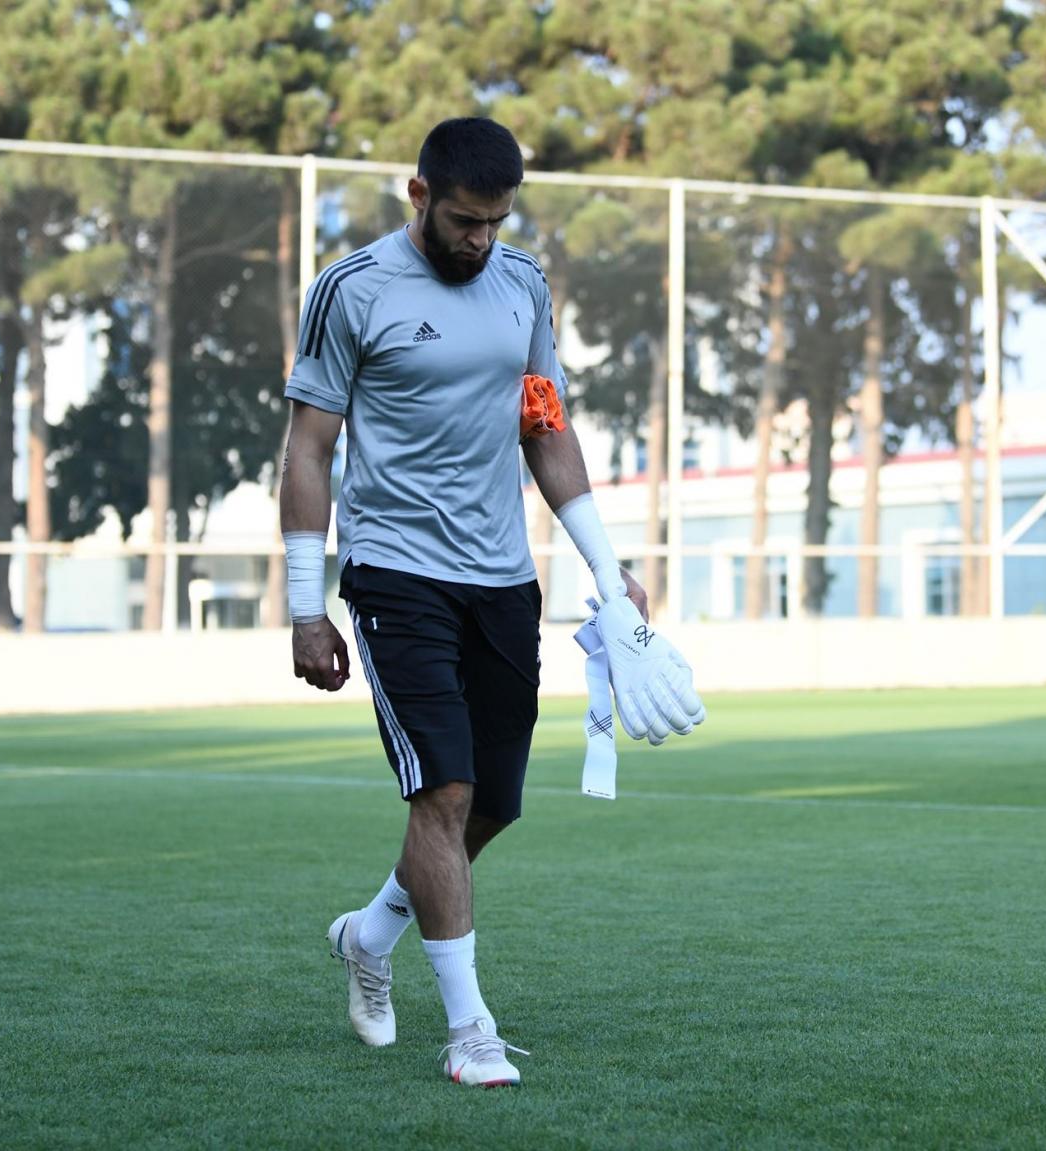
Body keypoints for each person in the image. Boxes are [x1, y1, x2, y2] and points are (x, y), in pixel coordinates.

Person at [279, 117, 693, 1088]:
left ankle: (370, 932)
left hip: (502, 578)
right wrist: (305, 604)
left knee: (493, 803)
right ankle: (471, 1030)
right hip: (394, 573)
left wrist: (607, 568)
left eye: (496, 222)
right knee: (444, 791)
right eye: (465, 220)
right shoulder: (351, 288)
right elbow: (308, 447)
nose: (480, 240)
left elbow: (544, 426)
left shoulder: (522, 284)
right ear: (419, 195)